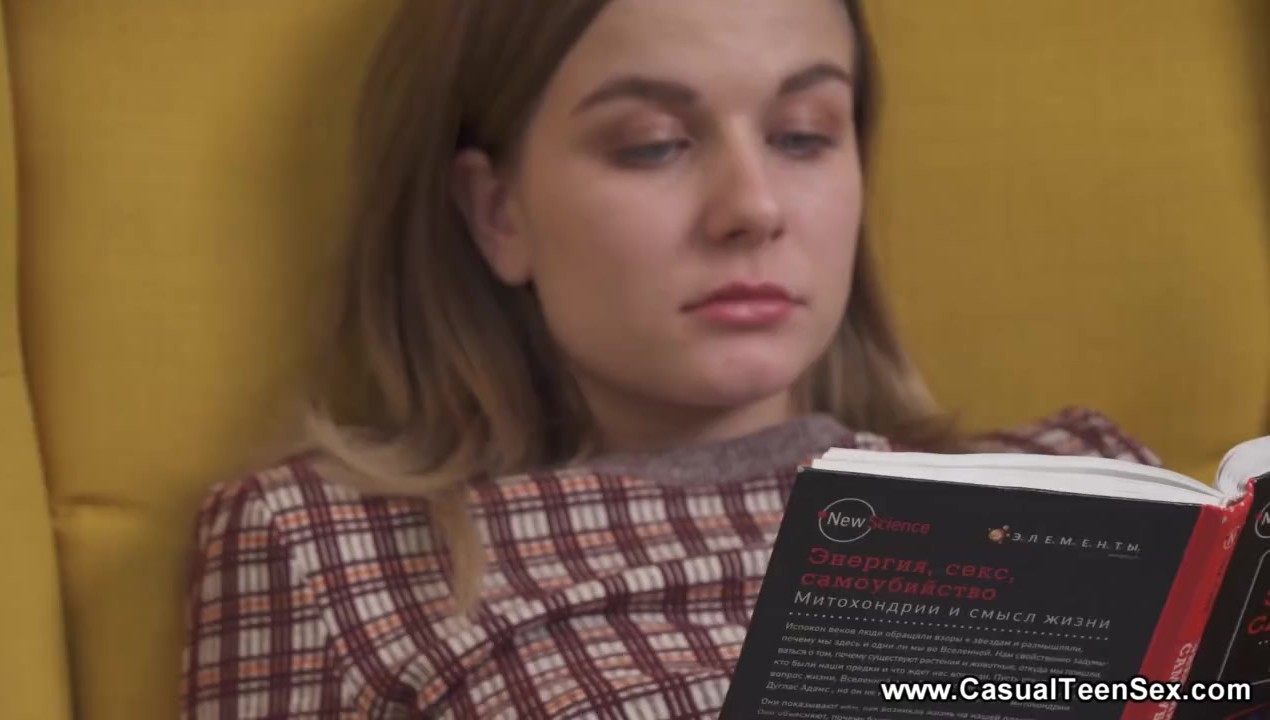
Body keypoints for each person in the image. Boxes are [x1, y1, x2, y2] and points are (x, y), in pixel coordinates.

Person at [178, 0, 1160, 717]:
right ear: (496, 212)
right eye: (652, 145)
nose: (752, 208)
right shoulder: (328, 552)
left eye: (803, 136)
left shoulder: (1090, 482)